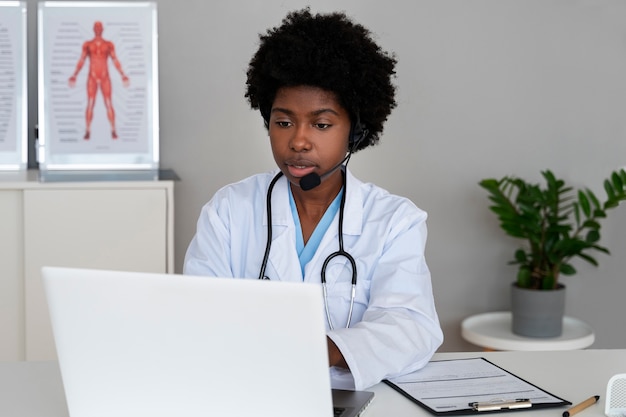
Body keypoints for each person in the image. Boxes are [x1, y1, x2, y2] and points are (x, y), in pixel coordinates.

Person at [184, 8, 443, 391]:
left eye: (321, 124)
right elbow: (195, 315)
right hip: (248, 393)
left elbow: (411, 326)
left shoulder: (394, 220)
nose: (298, 141)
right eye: (283, 122)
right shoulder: (229, 210)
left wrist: (325, 348)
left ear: (355, 133)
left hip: (352, 398)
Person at [68, 20, 129, 140]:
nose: (98, 29)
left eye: (99, 27)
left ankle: (113, 130)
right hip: (92, 76)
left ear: (102, 29)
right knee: (90, 103)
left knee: (108, 102)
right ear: (93, 29)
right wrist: (74, 74)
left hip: (105, 76)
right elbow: (82, 60)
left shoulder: (109, 44)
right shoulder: (87, 44)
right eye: (96, 27)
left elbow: (114, 59)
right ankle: (88, 130)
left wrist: (122, 74)